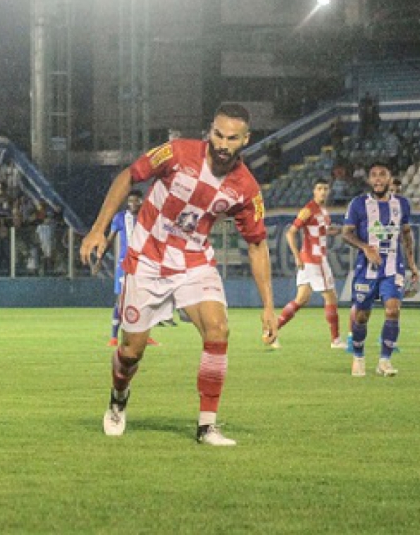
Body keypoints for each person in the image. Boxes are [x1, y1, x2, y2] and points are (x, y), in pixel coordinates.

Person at [80, 103, 277, 446]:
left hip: (193, 261)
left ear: (245, 140)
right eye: (217, 133)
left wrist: (269, 307)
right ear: (210, 130)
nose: (222, 143)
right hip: (147, 258)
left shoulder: (246, 189)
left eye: (232, 138)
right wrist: (98, 229)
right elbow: (128, 176)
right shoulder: (177, 153)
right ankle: (118, 398)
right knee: (131, 352)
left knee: (218, 329)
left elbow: (257, 245)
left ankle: (207, 426)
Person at [341, 162, 419, 378]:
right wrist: (365, 247)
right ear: (369, 180)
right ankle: (358, 356)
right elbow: (346, 233)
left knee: (393, 310)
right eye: (373, 175)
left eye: (382, 175)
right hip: (366, 268)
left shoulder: (402, 204)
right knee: (362, 316)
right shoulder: (358, 204)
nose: (377, 179)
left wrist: (412, 262)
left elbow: (406, 233)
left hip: (393, 266)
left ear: (389, 178)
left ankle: (384, 361)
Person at [274, 179, 345, 349]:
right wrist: (297, 256)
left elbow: (322, 231)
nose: (323, 192)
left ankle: (272, 331)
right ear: (314, 191)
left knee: (301, 299)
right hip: (315, 260)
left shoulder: (323, 211)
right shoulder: (308, 210)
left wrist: (340, 231)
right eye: (319, 188)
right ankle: (335, 340)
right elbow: (290, 233)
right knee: (331, 297)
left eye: (325, 189)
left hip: (311, 261)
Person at [103, 190, 161, 347]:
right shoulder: (120, 218)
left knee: (146, 300)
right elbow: (110, 239)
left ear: (142, 201)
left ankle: (145, 336)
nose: (132, 204)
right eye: (130, 201)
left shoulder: (148, 218)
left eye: (136, 201)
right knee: (121, 299)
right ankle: (114, 336)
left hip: (144, 264)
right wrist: (99, 259)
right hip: (125, 264)